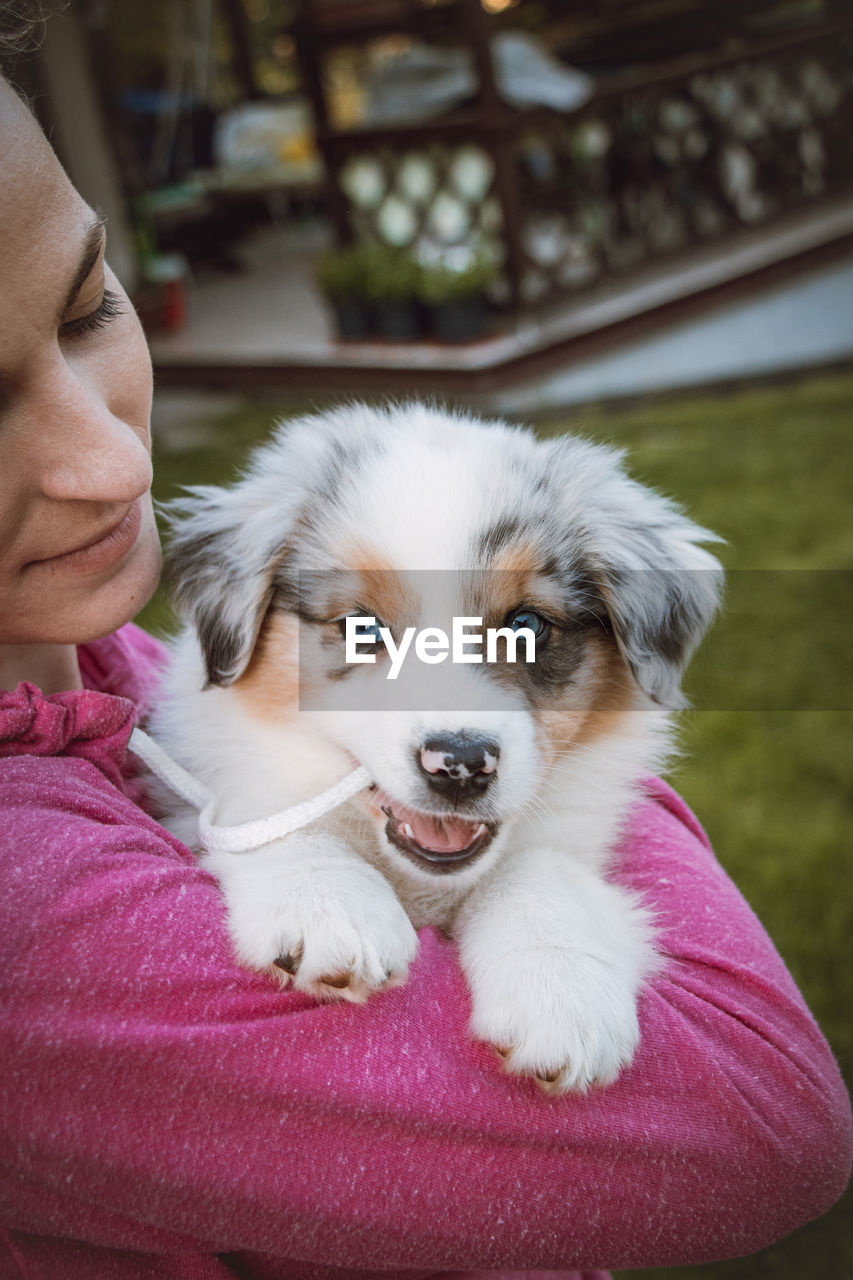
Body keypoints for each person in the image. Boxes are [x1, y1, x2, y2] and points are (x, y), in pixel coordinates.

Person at [0, 14, 850, 1280]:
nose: (117, 460)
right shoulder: (41, 915)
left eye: (85, 308)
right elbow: (758, 1118)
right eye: (366, 630)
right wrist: (302, 864)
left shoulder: (114, 672)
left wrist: (548, 890)